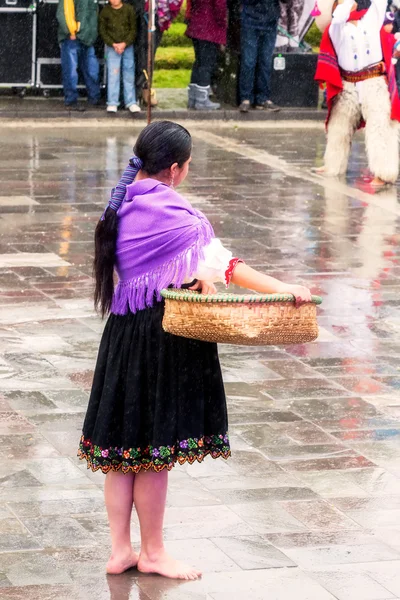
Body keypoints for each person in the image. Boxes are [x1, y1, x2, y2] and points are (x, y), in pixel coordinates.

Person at [78, 120, 312, 579]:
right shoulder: (171, 213)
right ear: (175, 169)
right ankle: (155, 553)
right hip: (162, 337)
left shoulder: (120, 204)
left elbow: (160, 267)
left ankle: (121, 550)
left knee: (124, 449)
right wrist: (285, 288)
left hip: (123, 335)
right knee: (154, 450)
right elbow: (226, 264)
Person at [314, 0, 400, 186]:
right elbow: (337, 19)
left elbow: (379, 3)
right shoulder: (335, 30)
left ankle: (384, 173)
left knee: (379, 126)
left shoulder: (370, 19)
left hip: (373, 80)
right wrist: (346, 4)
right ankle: (333, 165)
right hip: (348, 84)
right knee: (339, 127)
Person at [57, 0, 100, 111]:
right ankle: (71, 101)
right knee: (71, 72)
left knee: (91, 70)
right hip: (73, 38)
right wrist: (72, 31)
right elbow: (64, 11)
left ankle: (94, 99)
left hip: (87, 38)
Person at [239, 0, 282, 113]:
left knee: (265, 61)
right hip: (250, 21)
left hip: (270, 21)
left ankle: (263, 99)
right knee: (249, 61)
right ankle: (246, 98)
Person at [99, 0, 140, 113]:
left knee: (129, 73)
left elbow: (133, 29)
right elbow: (103, 31)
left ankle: (131, 102)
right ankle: (112, 102)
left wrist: (125, 43)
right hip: (112, 47)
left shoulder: (129, 9)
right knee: (113, 74)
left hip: (127, 46)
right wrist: (113, 44)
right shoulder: (105, 11)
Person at [186, 0, 227, 110]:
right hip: (210, 28)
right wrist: (224, 23)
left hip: (196, 25)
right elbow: (220, 7)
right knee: (207, 64)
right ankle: (202, 100)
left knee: (199, 62)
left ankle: (193, 98)